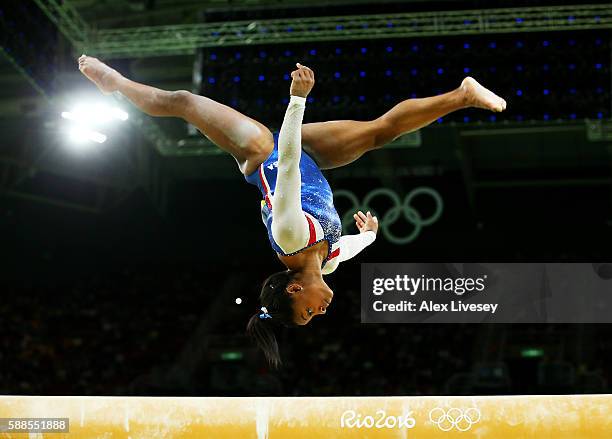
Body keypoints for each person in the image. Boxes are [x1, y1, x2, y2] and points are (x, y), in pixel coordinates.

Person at [78, 55, 506, 366]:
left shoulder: (290, 237)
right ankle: (462, 95)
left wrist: (297, 101)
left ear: (294, 290)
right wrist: (371, 235)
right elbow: (349, 248)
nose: (319, 313)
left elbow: (285, 165)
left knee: (184, 101)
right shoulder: (329, 262)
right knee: (380, 132)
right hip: (309, 157)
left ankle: (115, 82)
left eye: (307, 312)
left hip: (265, 153)